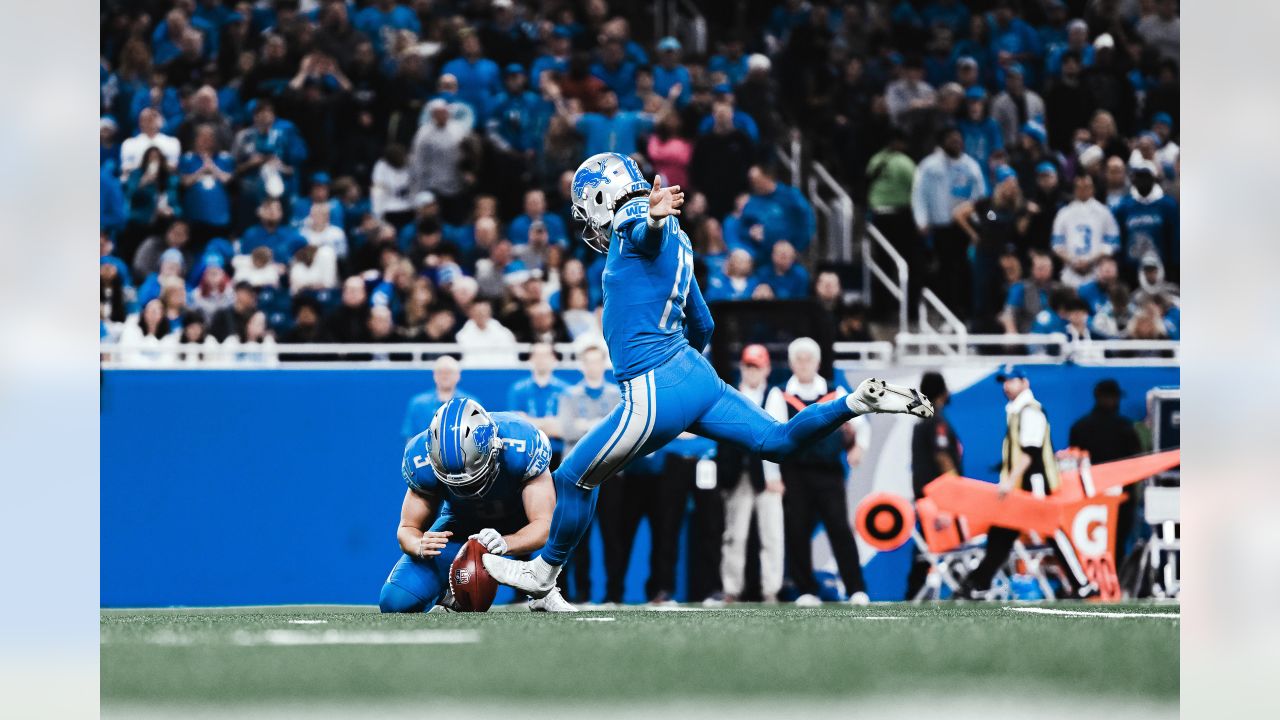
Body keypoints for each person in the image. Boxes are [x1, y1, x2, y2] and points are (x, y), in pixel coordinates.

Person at [482, 152, 934, 599]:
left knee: (571, 479)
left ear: (603, 195)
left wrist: (653, 221)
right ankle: (855, 402)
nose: (591, 222)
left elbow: (643, 232)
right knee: (776, 441)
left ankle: (543, 575)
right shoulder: (681, 238)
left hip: (654, 384)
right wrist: (680, 372)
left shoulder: (636, 217)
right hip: (694, 375)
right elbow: (704, 325)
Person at [379, 397, 575, 613]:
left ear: (493, 447)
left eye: (474, 479)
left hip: (517, 519)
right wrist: (418, 544)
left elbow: (544, 524)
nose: (468, 488)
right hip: (461, 525)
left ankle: (543, 588)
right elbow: (407, 528)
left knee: (573, 493)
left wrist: (506, 543)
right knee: (395, 601)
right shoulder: (420, 459)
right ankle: (447, 594)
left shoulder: (520, 442)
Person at [956, 366, 1092, 599]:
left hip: (1032, 484)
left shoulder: (1030, 411)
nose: (1006, 386)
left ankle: (1082, 582)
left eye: (1011, 381)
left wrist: (1009, 481)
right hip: (1022, 484)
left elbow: (1030, 452)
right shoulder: (1018, 411)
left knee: (1051, 530)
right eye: (1004, 381)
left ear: (1024, 383)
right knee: (1002, 532)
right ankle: (979, 582)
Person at [775, 338, 871, 606]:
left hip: (829, 472)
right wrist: (774, 477)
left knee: (840, 529)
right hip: (795, 473)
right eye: (799, 358)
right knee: (797, 530)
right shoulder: (779, 394)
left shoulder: (835, 391)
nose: (804, 363)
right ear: (792, 363)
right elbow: (770, 435)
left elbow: (862, 423)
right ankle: (805, 590)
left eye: (809, 358)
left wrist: (859, 448)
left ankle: (856, 589)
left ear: (817, 362)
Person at [718, 345, 785, 604]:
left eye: (756, 366)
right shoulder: (731, 394)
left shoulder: (774, 395)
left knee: (772, 534)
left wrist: (775, 476)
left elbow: (778, 438)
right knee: (735, 534)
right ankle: (732, 589)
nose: (752, 371)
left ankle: (771, 589)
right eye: (748, 366)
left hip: (766, 475)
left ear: (766, 368)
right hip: (738, 474)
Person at [557, 340, 623, 602]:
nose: (593, 366)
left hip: (610, 475)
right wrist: (600, 428)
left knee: (612, 536)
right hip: (579, 477)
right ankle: (580, 593)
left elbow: (620, 432)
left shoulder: (617, 395)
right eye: (589, 361)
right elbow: (567, 430)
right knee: (577, 538)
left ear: (603, 365)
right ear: (583, 365)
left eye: (597, 361)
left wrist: (586, 426)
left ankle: (613, 594)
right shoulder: (570, 395)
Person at [912, 127, 987, 315]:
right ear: (943, 142)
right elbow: (919, 194)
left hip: (964, 226)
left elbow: (981, 198)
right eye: (951, 140)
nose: (956, 143)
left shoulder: (971, 166)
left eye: (958, 139)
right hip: (940, 226)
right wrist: (921, 219)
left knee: (964, 268)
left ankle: (965, 310)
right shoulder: (929, 166)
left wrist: (983, 223)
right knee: (945, 270)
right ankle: (947, 310)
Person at [1070, 379, 1143, 564]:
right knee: (1115, 542)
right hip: (1119, 497)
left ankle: (1096, 580)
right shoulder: (1125, 427)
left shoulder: (1080, 427)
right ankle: (1112, 580)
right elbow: (1138, 461)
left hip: (1090, 496)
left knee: (1091, 539)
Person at [905, 371, 963, 599]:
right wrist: (956, 488)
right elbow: (942, 456)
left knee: (927, 546)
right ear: (941, 392)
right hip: (939, 497)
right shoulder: (935, 420)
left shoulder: (922, 419)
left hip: (926, 494)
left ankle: (914, 592)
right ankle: (965, 587)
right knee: (949, 542)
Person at [1052, 174, 1120, 287]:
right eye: (1079, 187)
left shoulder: (1104, 212)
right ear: (1074, 189)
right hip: (1070, 275)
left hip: (1097, 274)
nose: (1083, 190)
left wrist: (1090, 261)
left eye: (1087, 187)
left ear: (1092, 188)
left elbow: (1113, 243)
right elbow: (1057, 244)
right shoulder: (1064, 213)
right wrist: (1073, 261)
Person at [507, 343, 570, 463]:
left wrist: (531, 422)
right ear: (531, 359)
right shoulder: (517, 389)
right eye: (538, 355)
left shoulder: (566, 390)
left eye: (546, 355)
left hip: (558, 453)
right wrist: (550, 423)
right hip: (527, 454)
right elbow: (516, 426)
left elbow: (564, 428)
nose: (542, 360)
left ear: (554, 359)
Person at [401, 355, 472, 442]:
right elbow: (410, 437)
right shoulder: (418, 403)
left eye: (449, 372)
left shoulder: (470, 403)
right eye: (441, 372)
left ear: (458, 376)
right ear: (434, 375)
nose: (445, 376)